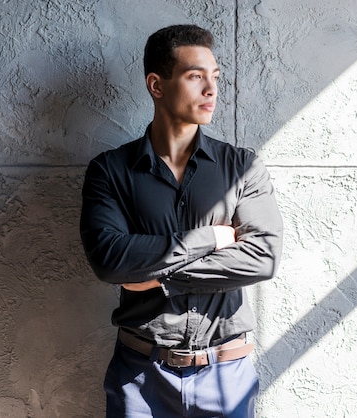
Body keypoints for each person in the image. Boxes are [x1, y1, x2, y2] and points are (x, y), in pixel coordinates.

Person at [80, 24, 283, 417]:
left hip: (227, 374)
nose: (212, 89)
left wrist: (159, 276)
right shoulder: (110, 171)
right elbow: (110, 259)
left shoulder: (242, 168)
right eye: (195, 76)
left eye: (215, 77)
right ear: (157, 85)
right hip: (140, 377)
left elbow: (263, 257)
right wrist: (210, 237)